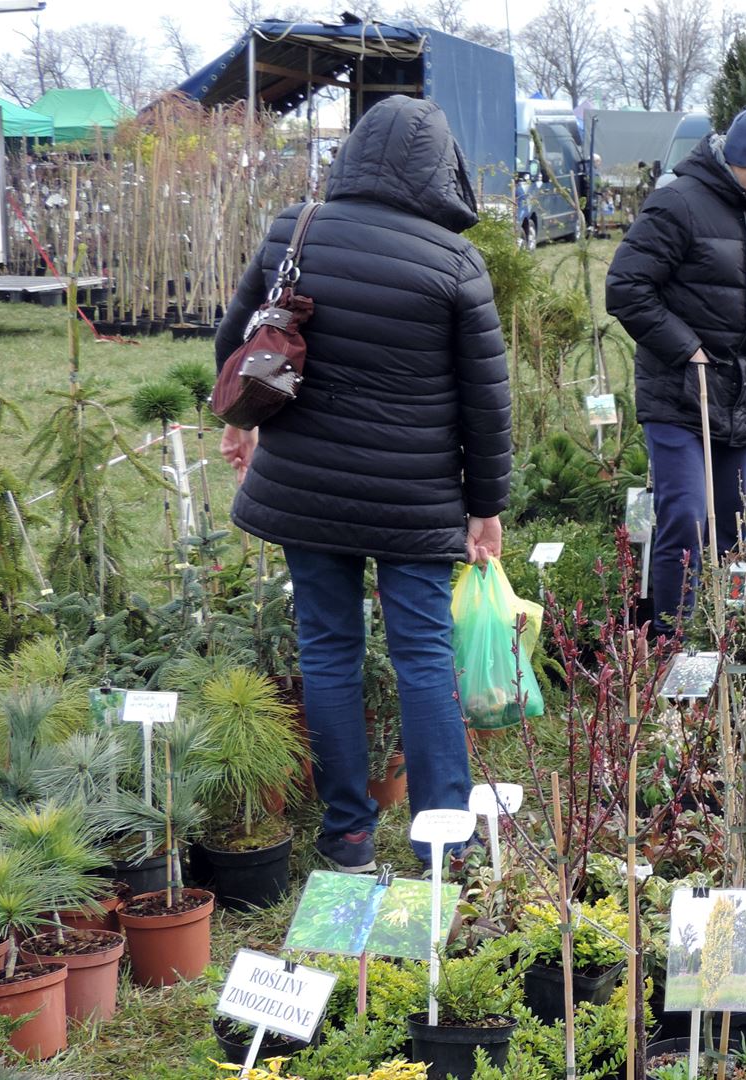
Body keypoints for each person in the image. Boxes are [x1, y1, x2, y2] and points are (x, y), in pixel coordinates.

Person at [214, 96, 511, 873]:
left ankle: (347, 836)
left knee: (327, 652)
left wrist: (243, 423)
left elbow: (236, 338)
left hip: (305, 489)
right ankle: (444, 843)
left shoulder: (297, 228)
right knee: (424, 658)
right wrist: (485, 506)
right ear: (442, 171)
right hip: (413, 498)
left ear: (353, 154)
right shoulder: (455, 262)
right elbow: (487, 403)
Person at [606, 104, 746, 633]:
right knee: (686, 519)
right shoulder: (677, 204)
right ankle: (670, 643)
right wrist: (688, 349)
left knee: (732, 530)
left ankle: (717, 641)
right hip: (679, 396)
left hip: (740, 397)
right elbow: (625, 288)